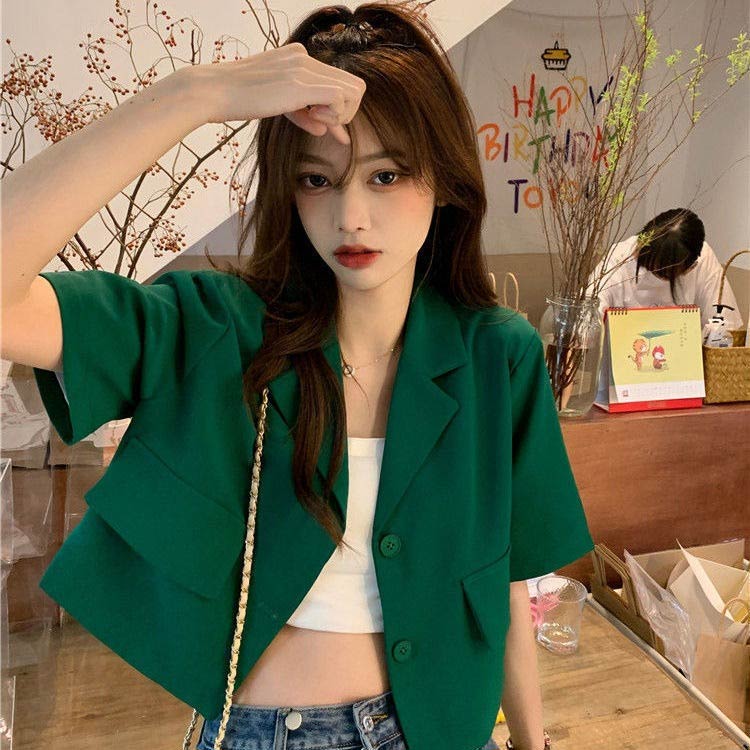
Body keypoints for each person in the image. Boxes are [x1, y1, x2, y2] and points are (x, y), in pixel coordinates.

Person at [1, 4, 593, 750]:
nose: (351, 215)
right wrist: (193, 95)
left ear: (443, 180)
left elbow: (502, 581)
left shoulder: (496, 356)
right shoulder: (218, 330)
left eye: (385, 175)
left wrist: (534, 741)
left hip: (440, 731)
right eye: (318, 180)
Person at [588, 208, 745, 331]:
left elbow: (723, 323)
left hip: (685, 360)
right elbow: (590, 310)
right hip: (624, 357)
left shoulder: (702, 258)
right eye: (645, 263)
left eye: (660, 273)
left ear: (689, 268)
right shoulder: (619, 257)